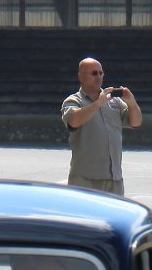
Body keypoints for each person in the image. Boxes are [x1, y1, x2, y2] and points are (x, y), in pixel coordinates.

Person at [60, 57, 141, 195]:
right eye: (94, 73)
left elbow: (136, 122)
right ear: (81, 77)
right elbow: (74, 121)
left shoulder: (114, 101)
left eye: (100, 73)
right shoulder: (74, 100)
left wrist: (132, 103)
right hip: (85, 179)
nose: (98, 77)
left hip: (114, 178)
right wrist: (98, 103)